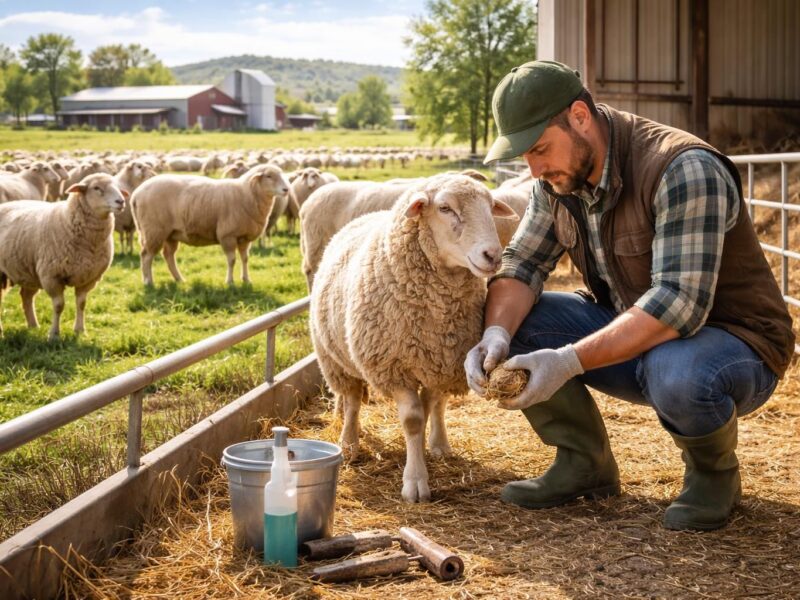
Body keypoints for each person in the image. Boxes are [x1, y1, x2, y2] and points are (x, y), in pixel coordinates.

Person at [466, 60, 795, 531]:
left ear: (580, 117)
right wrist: (496, 334)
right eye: (525, 157)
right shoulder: (557, 180)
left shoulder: (683, 168)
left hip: (732, 344)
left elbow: (677, 305)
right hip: (634, 328)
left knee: (677, 369)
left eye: (540, 149)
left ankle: (713, 474)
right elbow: (522, 265)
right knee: (520, 323)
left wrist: (567, 361)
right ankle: (584, 464)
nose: (534, 169)